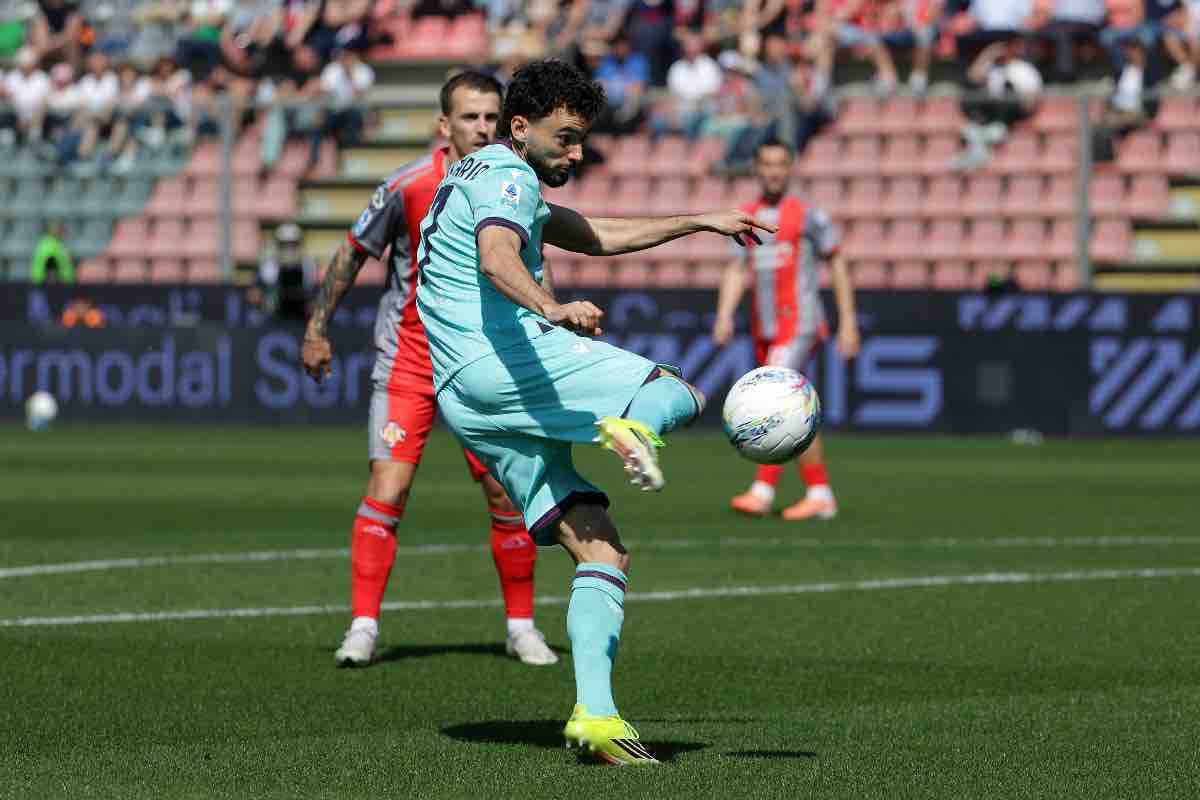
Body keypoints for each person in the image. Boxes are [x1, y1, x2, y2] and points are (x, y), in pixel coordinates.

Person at [399, 58, 771, 764]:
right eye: (566, 138)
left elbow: (591, 232)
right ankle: (630, 427)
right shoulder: (511, 176)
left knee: (600, 548)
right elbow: (497, 257)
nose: (575, 153)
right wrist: (551, 306)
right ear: (519, 127)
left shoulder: (475, 174)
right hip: (504, 362)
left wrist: (696, 220)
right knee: (677, 394)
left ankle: (597, 720)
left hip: (466, 400)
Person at [301, 72, 559, 669]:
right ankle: (364, 625)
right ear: (445, 126)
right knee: (388, 488)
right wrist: (316, 328)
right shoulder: (410, 185)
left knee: (505, 491)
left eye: (492, 116)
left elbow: (536, 267)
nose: (483, 127)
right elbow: (352, 253)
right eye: (470, 117)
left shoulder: (515, 185)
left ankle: (521, 625)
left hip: (485, 362)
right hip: (410, 360)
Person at [712, 138, 859, 521]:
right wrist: (725, 314)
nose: (773, 171)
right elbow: (735, 268)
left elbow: (838, 263)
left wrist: (848, 322)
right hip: (765, 326)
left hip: (800, 321)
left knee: (775, 402)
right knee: (797, 411)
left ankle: (763, 489)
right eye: (766, 163)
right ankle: (820, 491)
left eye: (780, 163)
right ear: (757, 168)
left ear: (790, 168)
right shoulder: (747, 215)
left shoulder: (808, 215)